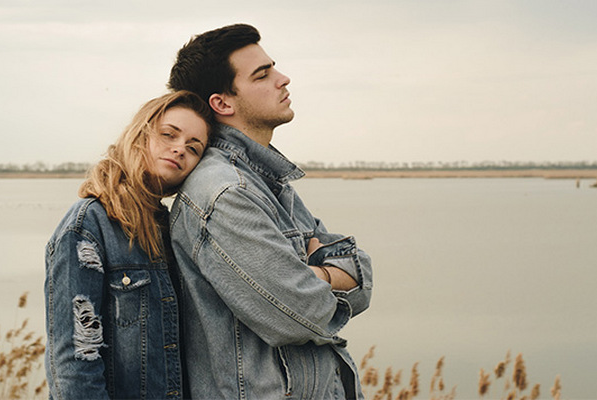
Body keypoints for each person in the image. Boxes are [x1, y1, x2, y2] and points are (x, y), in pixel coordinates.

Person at [167, 24, 373, 399]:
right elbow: (299, 312)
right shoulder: (225, 193)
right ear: (223, 103)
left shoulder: (270, 184)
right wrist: (328, 273)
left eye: (273, 68)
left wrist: (313, 275)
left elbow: (362, 276)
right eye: (263, 75)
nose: (283, 79)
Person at [44, 90, 213, 399]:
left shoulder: (171, 227)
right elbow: (74, 366)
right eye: (168, 135)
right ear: (140, 135)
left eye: (194, 148)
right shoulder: (88, 224)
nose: (179, 150)